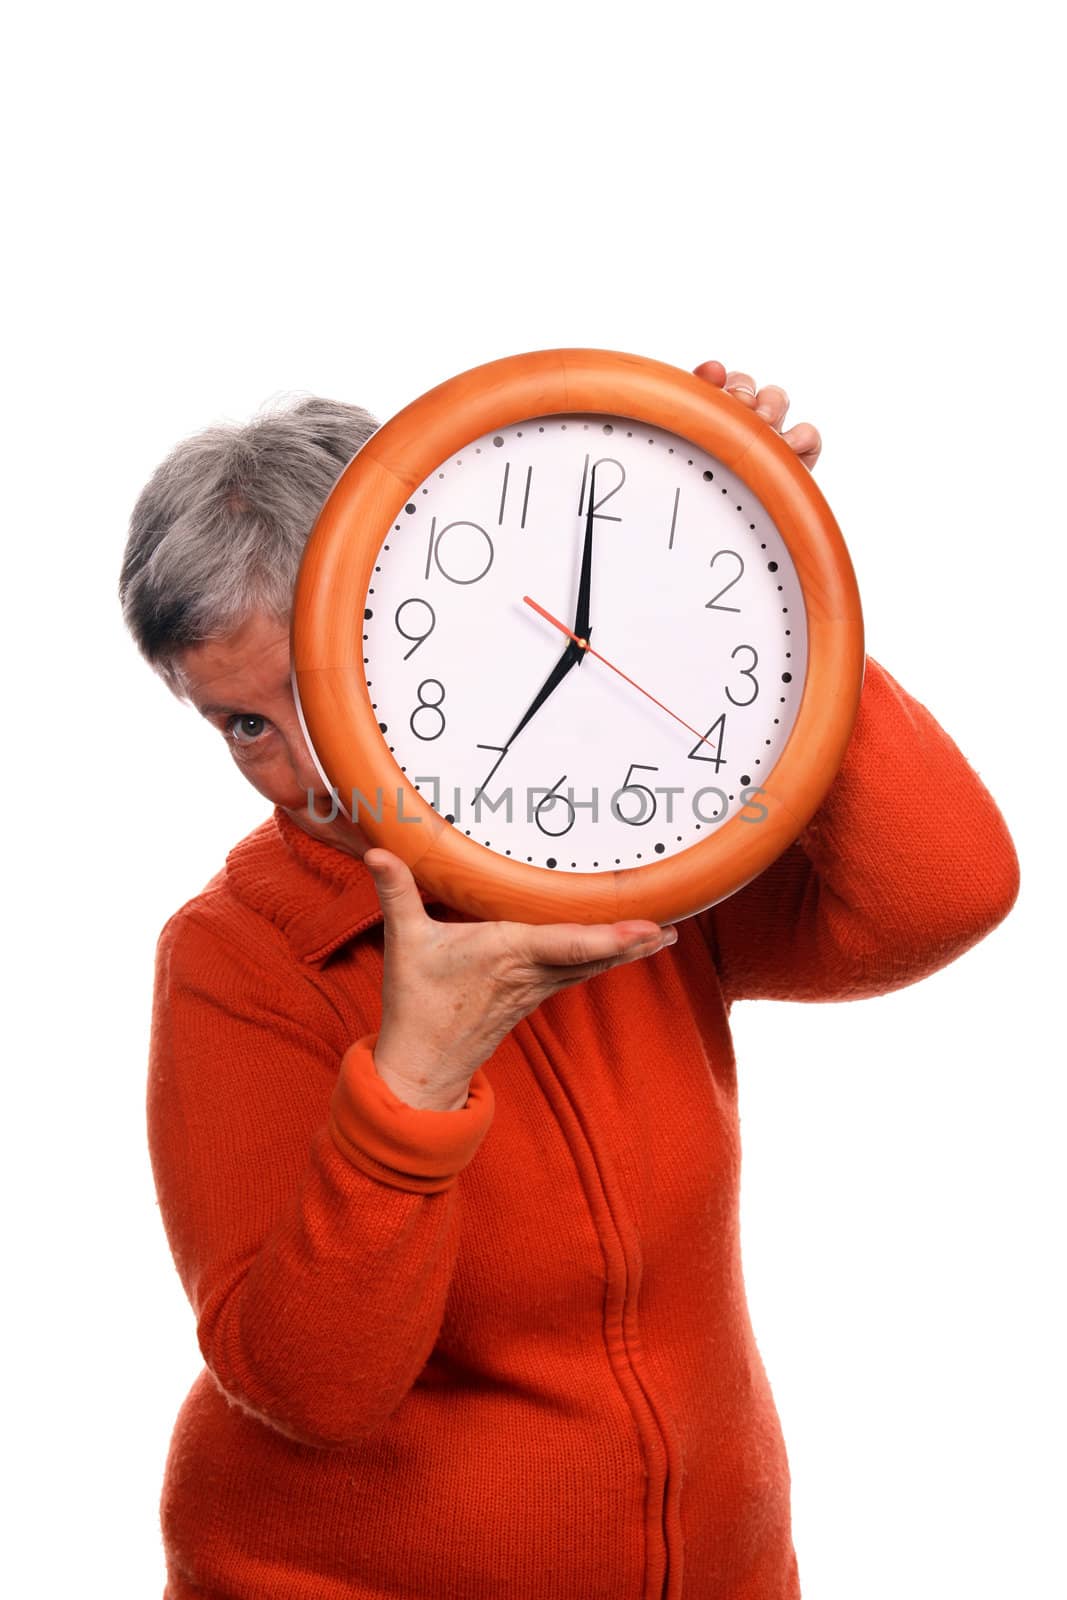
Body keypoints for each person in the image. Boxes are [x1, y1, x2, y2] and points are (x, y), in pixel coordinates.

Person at [120, 360, 1020, 1600]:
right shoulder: (239, 955)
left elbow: (941, 891)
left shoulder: (616, 839)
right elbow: (311, 1389)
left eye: (332, 677)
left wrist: (765, 583)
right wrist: (412, 1083)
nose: (315, 774)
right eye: (245, 726)